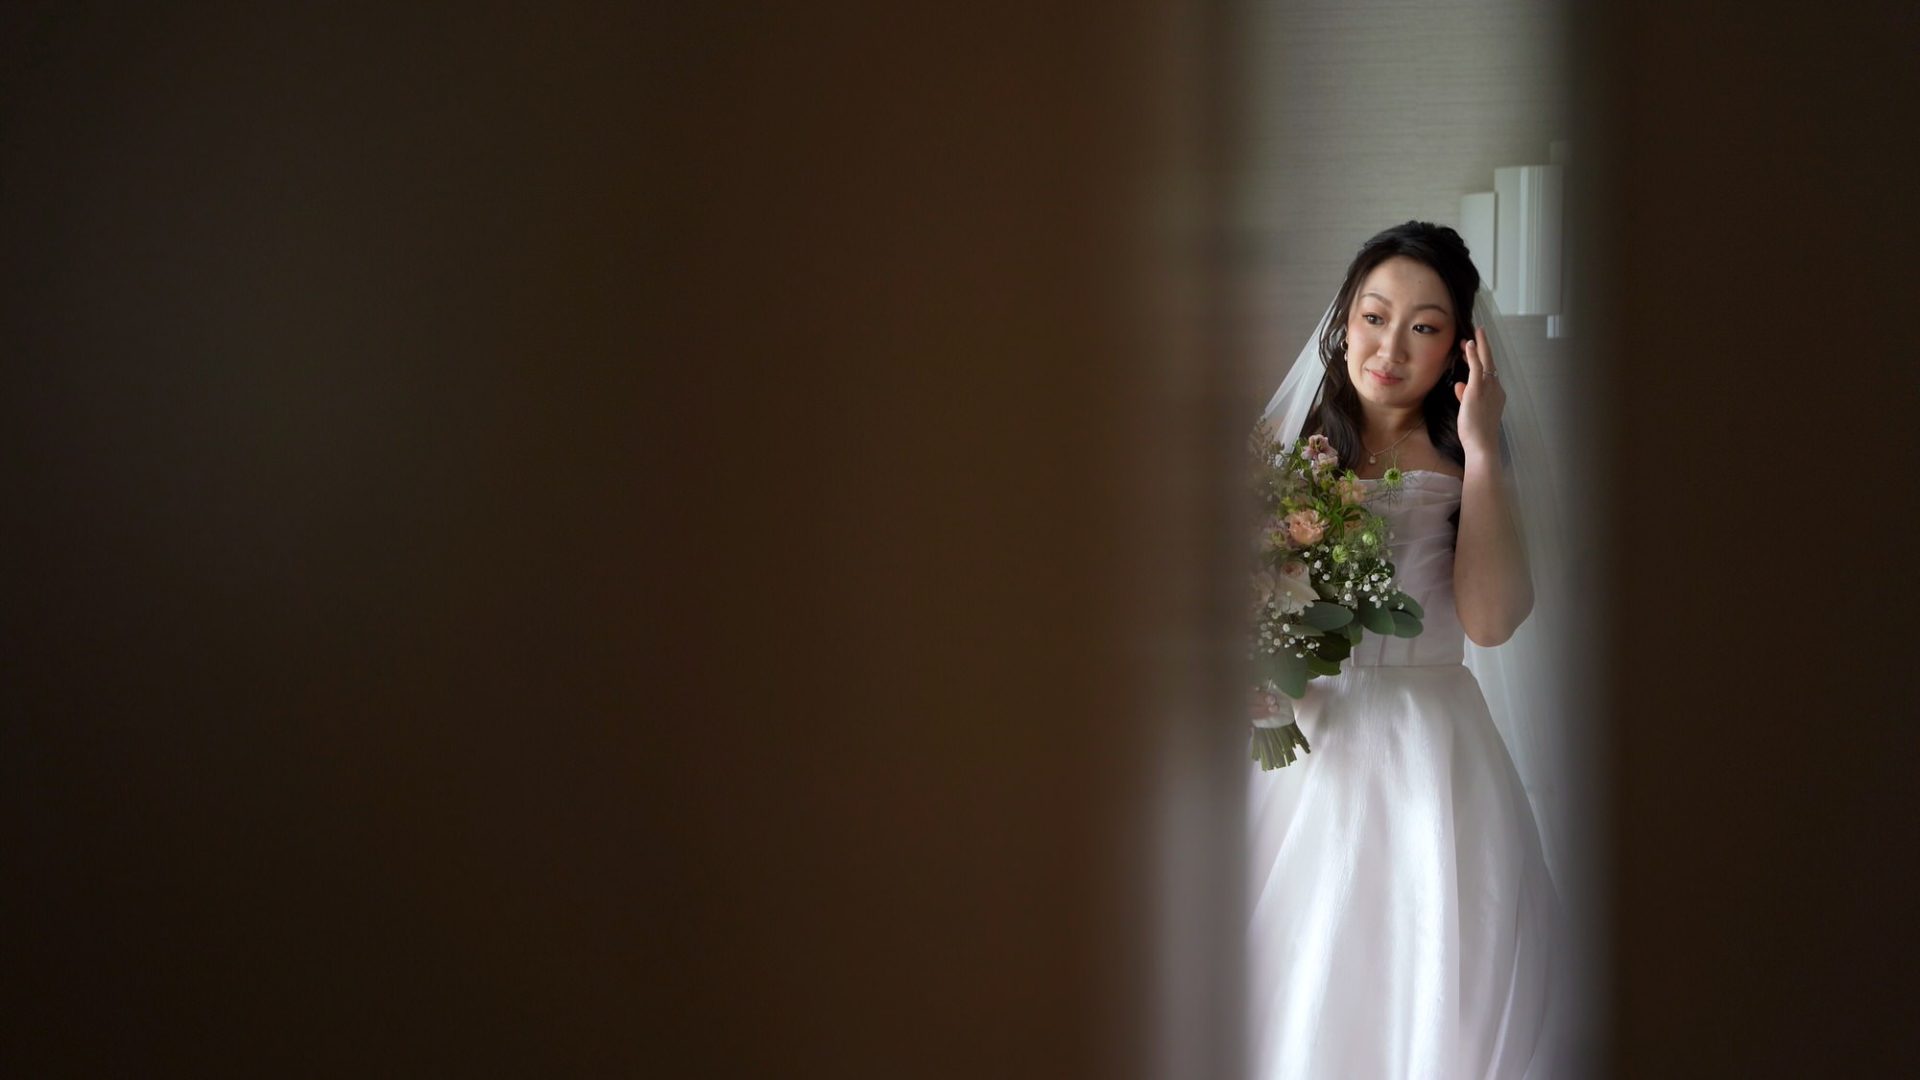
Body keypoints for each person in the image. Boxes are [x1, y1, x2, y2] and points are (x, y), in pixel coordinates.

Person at [1246, 221, 1567, 1078]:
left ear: (1459, 347)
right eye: (1374, 316)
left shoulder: (1470, 459)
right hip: (1305, 735)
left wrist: (1485, 444)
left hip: (1430, 747)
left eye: (1423, 327)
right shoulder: (1286, 453)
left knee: (1425, 971)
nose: (1389, 346)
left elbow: (1492, 621)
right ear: (1345, 321)